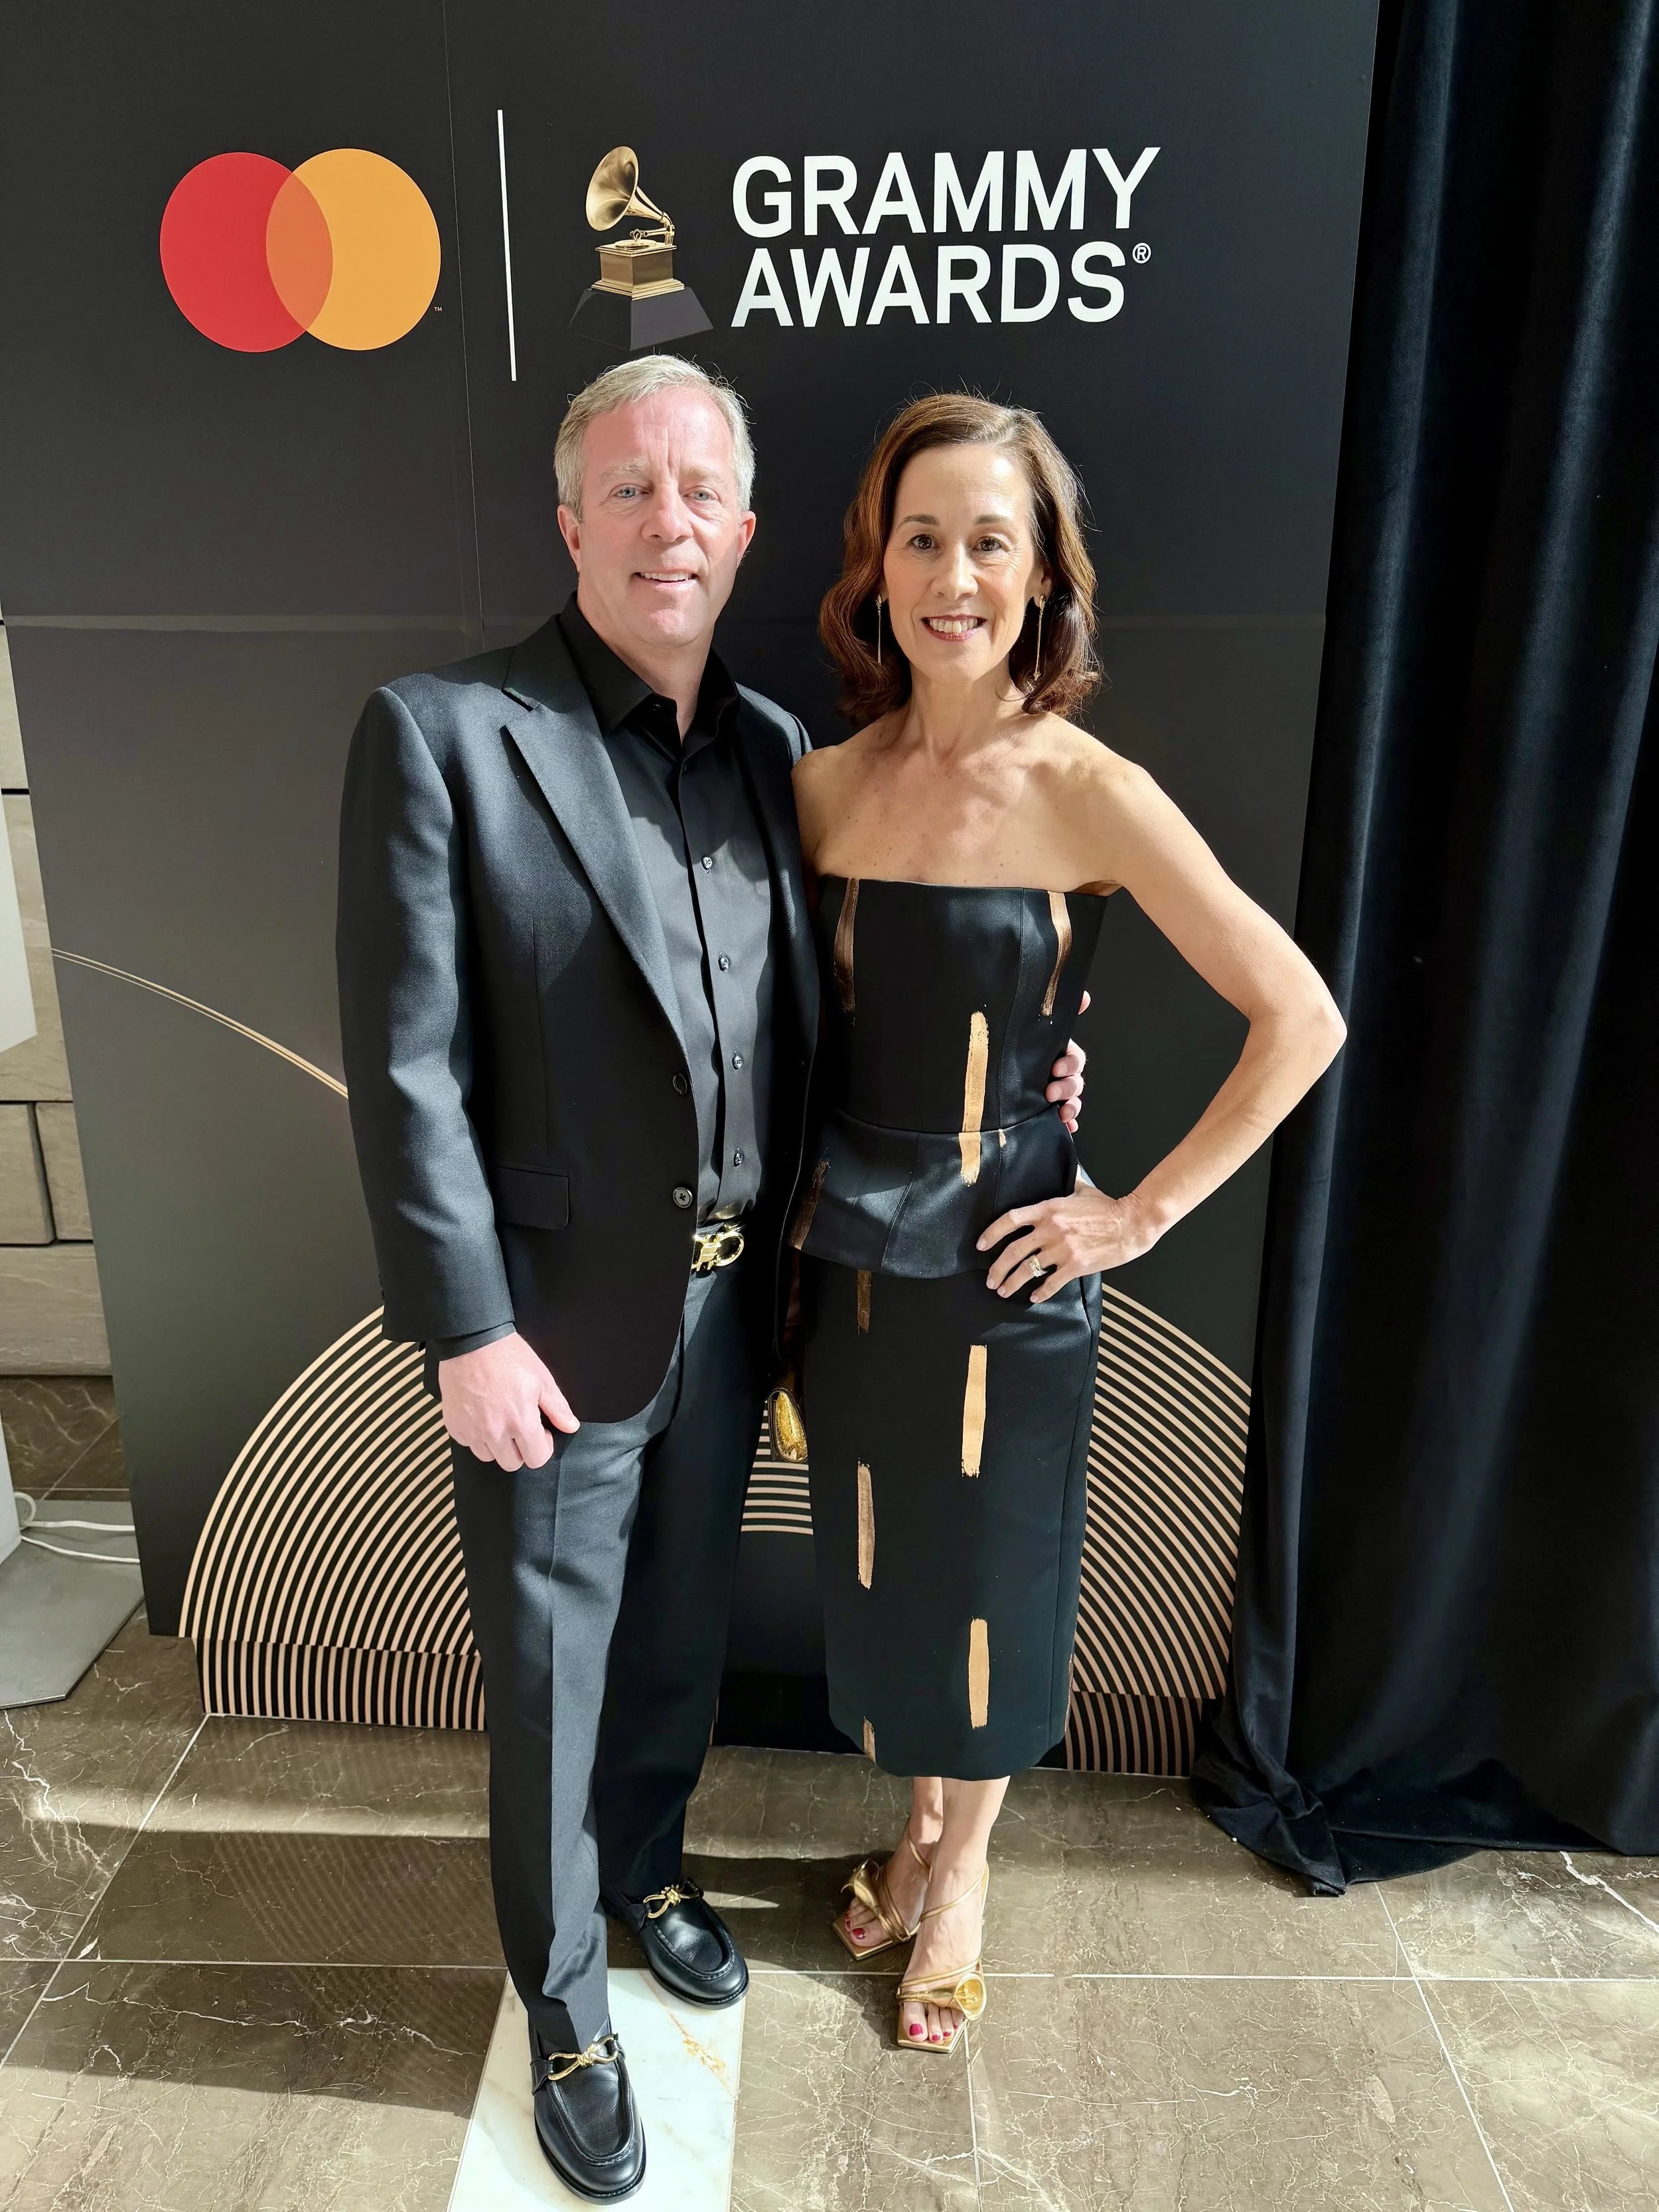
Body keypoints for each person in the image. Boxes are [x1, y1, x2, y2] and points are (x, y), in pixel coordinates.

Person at [336, 356, 1086, 2198]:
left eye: (701, 496)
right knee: (548, 1676)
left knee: (671, 1634)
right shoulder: (445, 732)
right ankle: (567, 1997)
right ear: (571, 518)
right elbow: (408, 1062)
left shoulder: (772, 748)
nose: (668, 523)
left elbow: (859, 1001)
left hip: (745, 1308)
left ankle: (652, 1865)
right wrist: (464, 1326)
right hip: (549, 1337)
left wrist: (1045, 1062)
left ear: (743, 533)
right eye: (631, 489)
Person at [790, 394, 1347, 2054]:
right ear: (874, 567)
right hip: (846, 1263)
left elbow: (1299, 1017)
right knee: (891, 1582)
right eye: (921, 537)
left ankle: (962, 1869)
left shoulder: (1091, 790)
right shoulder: (819, 787)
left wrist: (1139, 1209)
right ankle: (917, 1821)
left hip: (1011, 1262)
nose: (950, 574)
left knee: (989, 1588)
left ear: (1041, 581)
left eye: (988, 542)